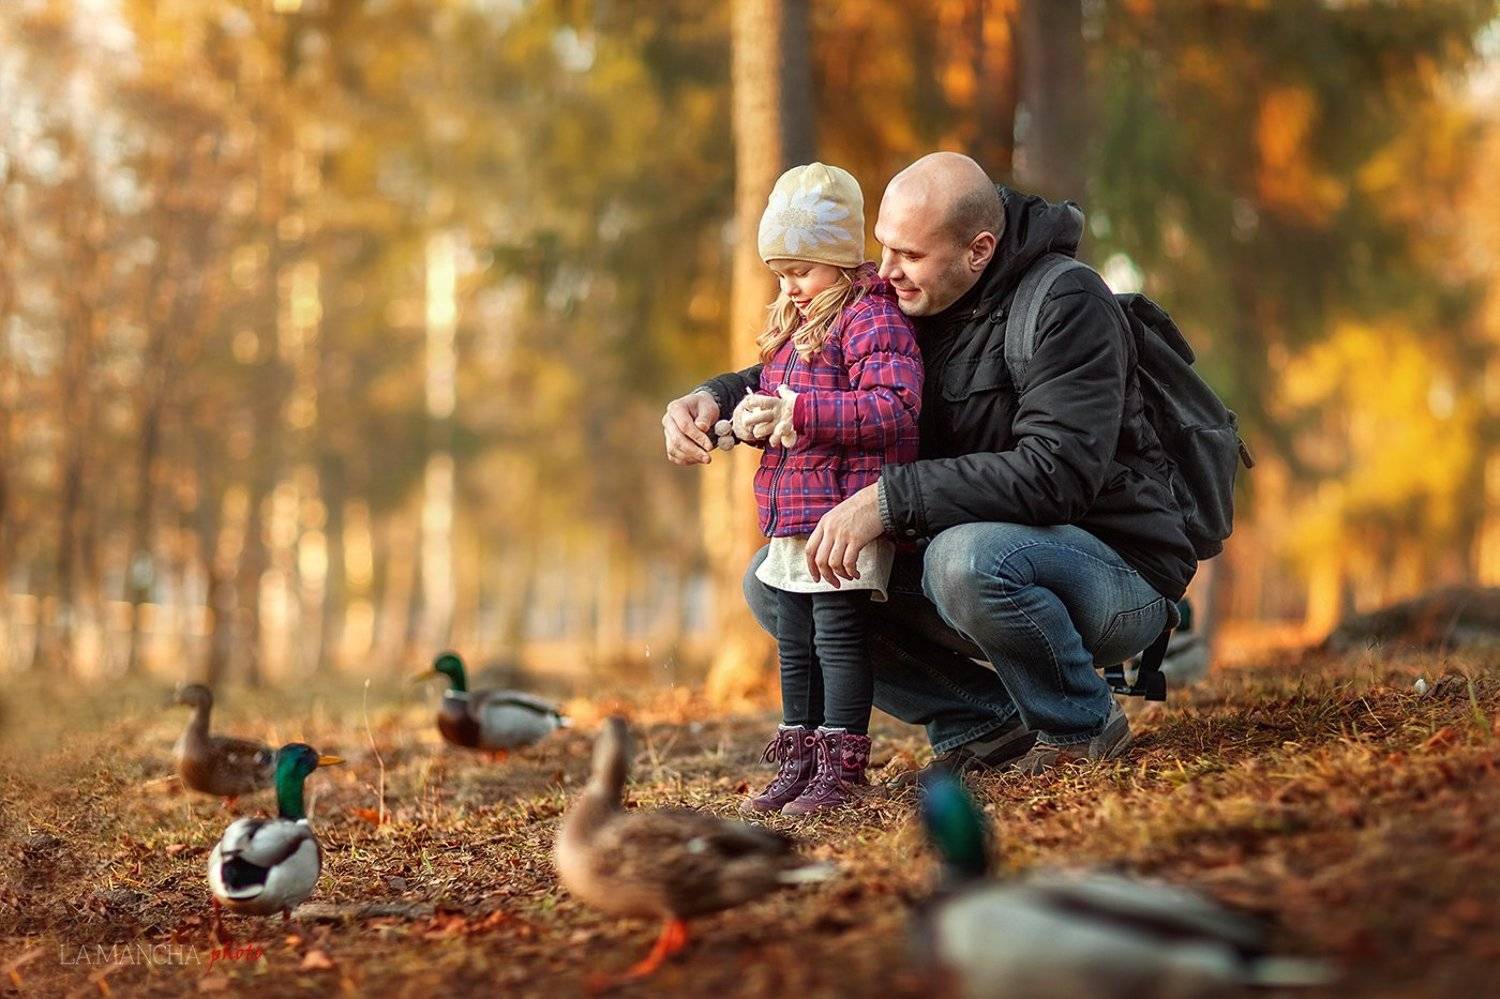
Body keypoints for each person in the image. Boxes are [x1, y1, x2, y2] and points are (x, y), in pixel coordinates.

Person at [664, 152, 1196, 780]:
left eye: (908, 256)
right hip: (980, 556)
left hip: (1113, 570)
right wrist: (714, 397)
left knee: (964, 559)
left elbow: (1056, 475)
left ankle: (1078, 724)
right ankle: (982, 721)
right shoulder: (913, 297)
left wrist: (887, 499)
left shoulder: (1066, 304)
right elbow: (812, 366)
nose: (885, 272)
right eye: (883, 247)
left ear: (978, 249)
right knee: (779, 581)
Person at [729, 163, 922, 816]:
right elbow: (782, 405)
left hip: (843, 515)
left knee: (839, 640)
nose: (790, 285)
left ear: (840, 260)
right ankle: (801, 759)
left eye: (802, 271)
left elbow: (893, 408)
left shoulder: (872, 318)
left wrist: (799, 414)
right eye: (781, 272)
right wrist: (748, 420)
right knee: (794, 641)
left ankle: (841, 767)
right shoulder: (795, 323)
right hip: (794, 514)